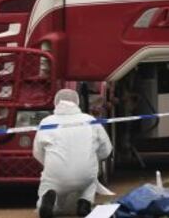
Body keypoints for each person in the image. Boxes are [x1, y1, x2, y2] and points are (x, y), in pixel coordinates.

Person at [33, 88, 113, 218]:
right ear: (77, 102)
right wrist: (93, 158)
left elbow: (37, 152)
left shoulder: (46, 122)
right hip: (85, 174)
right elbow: (106, 150)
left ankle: (47, 199)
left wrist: (48, 164)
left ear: (55, 103)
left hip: (55, 175)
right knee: (91, 179)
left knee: (47, 186)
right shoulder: (90, 120)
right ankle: (85, 202)